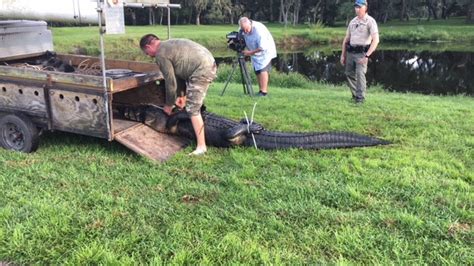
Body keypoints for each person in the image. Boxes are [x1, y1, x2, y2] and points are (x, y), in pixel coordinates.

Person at [140, 34, 217, 155]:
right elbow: (178, 75)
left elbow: (170, 83)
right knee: (192, 104)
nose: (148, 56)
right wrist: (181, 96)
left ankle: (201, 147)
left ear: (149, 46)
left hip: (202, 69)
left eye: (146, 52)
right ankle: (198, 131)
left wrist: (169, 105)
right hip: (209, 63)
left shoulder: (161, 54)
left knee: (192, 109)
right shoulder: (169, 44)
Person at [340, 0, 379, 104]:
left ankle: (360, 98)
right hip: (350, 52)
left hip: (362, 53)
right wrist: (343, 55)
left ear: (365, 7)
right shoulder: (352, 22)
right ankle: (355, 94)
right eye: (356, 7)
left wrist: (367, 56)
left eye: (359, 7)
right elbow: (346, 39)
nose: (357, 9)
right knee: (349, 73)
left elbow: (376, 40)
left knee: (360, 74)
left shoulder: (370, 21)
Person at [238, 17, 277, 97]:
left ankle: (264, 92)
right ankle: (260, 90)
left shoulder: (259, 30)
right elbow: (240, 36)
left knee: (263, 69)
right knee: (257, 70)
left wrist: (250, 52)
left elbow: (262, 47)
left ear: (250, 24)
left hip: (265, 51)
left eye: (247, 29)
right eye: (243, 29)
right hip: (254, 51)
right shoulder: (242, 29)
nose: (245, 31)